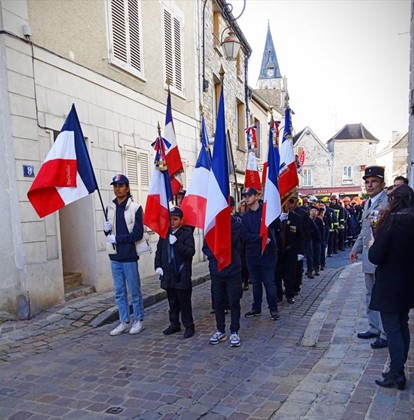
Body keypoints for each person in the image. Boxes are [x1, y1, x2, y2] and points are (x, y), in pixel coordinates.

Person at [368, 185, 414, 389]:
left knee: (393, 329)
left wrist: (372, 243)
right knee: (402, 324)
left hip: (390, 283)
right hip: (408, 282)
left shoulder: (391, 222)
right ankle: (398, 370)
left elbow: (376, 255)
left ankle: (396, 373)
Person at [349, 165, 388, 349]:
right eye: (367, 182)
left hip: (381, 258)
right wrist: (355, 248)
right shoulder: (368, 203)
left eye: (374, 182)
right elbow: (365, 230)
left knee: (382, 295)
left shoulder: (387, 202)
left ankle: (385, 332)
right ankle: (374, 327)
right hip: (368, 257)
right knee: (370, 294)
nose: (370, 185)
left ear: (382, 183)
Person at [104, 174, 145, 336]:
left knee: (134, 290)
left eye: (121, 186)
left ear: (127, 188)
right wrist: (106, 229)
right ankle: (124, 321)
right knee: (119, 291)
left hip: (129, 255)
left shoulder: (135, 208)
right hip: (114, 255)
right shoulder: (109, 207)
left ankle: (138, 319)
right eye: (115, 186)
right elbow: (108, 233)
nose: (117, 189)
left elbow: (137, 233)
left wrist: (118, 238)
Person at [203, 197, 243, 347]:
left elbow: (229, 243)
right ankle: (220, 330)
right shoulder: (211, 225)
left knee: (234, 301)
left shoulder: (236, 225)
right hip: (216, 270)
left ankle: (234, 331)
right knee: (218, 302)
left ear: (231, 208)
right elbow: (205, 247)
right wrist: (215, 256)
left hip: (232, 269)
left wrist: (222, 227)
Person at [154, 207, 196, 339]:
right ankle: (174, 323)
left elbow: (190, 252)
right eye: (170, 219)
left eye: (175, 219)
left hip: (181, 273)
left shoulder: (186, 233)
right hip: (168, 273)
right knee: (172, 301)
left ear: (181, 220)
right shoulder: (164, 233)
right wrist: (158, 266)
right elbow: (159, 251)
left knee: (184, 301)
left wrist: (177, 243)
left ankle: (189, 325)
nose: (172, 222)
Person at [241, 187, 280, 320]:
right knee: (256, 283)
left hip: (268, 254)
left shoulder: (267, 212)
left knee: (269, 282)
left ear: (256, 196)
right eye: (245, 196)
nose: (246, 198)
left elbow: (276, 225)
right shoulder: (244, 217)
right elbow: (245, 236)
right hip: (252, 254)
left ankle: (273, 309)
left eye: (249, 195)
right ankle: (256, 308)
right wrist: (260, 238)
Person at [275, 196, 305, 304]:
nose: (285, 205)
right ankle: (278, 295)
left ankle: (289, 294)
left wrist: (301, 252)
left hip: (291, 251)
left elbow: (300, 236)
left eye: (288, 203)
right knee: (276, 275)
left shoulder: (296, 218)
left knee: (290, 275)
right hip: (277, 252)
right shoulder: (275, 217)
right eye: (283, 203)